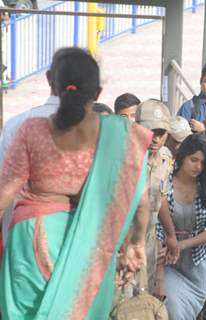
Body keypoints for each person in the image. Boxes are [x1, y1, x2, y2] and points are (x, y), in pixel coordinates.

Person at [0, 47, 151, 319]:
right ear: (98, 93)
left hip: (32, 241)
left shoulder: (32, 130)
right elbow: (141, 203)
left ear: (50, 82)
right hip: (90, 250)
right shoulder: (121, 136)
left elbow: (3, 197)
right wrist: (136, 243)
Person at [0, 47, 80, 249]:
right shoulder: (95, 129)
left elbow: (4, 187)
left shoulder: (17, 124)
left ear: (49, 78)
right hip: (72, 248)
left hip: (20, 244)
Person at [155, 134, 206, 319]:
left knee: (189, 309)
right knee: (173, 307)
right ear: (183, 157)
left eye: (203, 162)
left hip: (196, 261)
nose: (198, 167)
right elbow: (157, 226)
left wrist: (181, 245)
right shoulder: (165, 181)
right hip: (167, 258)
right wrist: (159, 275)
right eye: (193, 160)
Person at [135, 99, 172, 297]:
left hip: (149, 239)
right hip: (123, 240)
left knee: (144, 297)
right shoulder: (123, 158)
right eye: (151, 132)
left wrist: (170, 236)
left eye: (161, 134)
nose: (156, 139)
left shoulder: (164, 159)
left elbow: (161, 199)